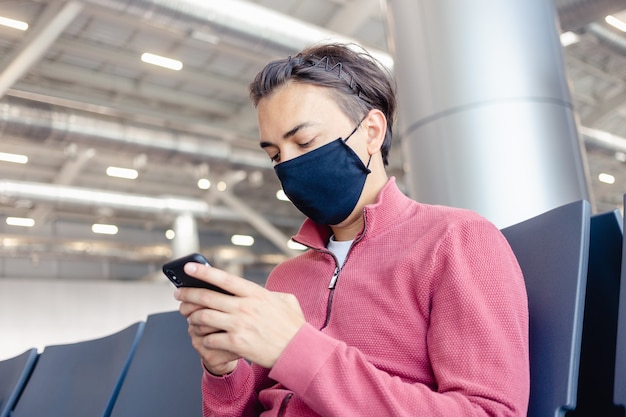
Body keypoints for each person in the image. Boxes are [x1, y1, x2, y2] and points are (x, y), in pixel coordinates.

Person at [174, 42, 530, 416]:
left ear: (372, 131)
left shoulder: (455, 239)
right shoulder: (286, 277)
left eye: (305, 141)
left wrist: (297, 348)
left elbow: (490, 412)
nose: (289, 167)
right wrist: (224, 371)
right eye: (275, 155)